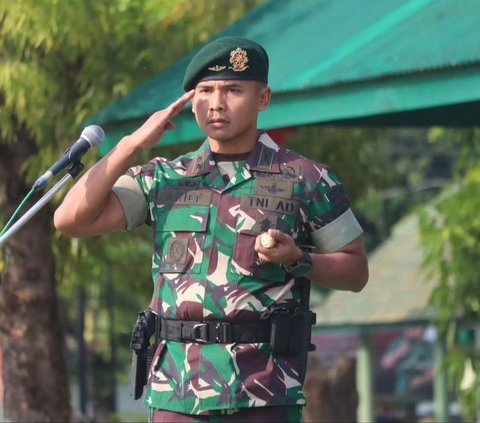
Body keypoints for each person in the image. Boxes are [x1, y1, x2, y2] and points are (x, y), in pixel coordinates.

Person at [54, 36, 369, 422]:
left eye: (233, 90)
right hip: (177, 395)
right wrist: (132, 144)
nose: (216, 103)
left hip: (263, 394)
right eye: (205, 91)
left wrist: (298, 259)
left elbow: (356, 271)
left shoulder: (306, 179)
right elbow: (70, 219)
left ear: (263, 98)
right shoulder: (164, 177)